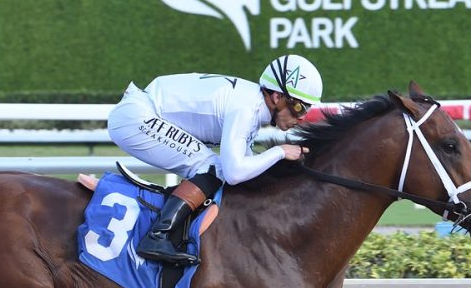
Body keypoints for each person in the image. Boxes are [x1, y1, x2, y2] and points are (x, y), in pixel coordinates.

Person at [107, 54, 322, 266]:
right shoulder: (246, 108)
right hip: (137, 117)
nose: (302, 117)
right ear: (277, 97)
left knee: (214, 167)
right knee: (212, 167)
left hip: (139, 113)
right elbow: (235, 172)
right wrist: (280, 152)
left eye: (306, 109)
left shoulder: (251, 106)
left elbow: (247, 167)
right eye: (299, 107)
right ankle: (157, 236)